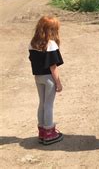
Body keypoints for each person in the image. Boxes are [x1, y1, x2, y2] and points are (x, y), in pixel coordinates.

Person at [28, 16, 64, 145]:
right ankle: (49, 132)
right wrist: (58, 83)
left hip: (38, 77)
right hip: (49, 79)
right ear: (51, 30)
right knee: (49, 104)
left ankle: (42, 131)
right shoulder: (51, 44)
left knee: (42, 103)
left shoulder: (32, 43)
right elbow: (52, 66)